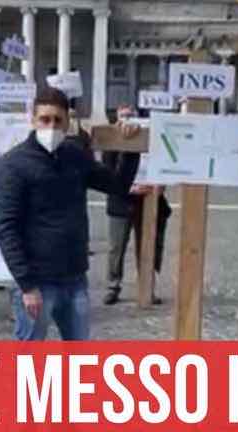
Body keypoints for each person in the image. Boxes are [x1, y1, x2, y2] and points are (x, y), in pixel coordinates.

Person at [0, 88, 140, 341]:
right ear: (33, 119)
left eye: (58, 120)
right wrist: (26, 285)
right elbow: (5, 229)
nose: (51, 126)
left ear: (68, 122)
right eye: (45, 119)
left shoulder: (75, 156)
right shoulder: (13, 164)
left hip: (74, 278)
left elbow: (116, 185)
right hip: (36, 281)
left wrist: (129, 149)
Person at [103, 104, 170, 306]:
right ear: (116, 119)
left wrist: (160, 186)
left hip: (148, 201)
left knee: (148, 246)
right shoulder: (111, 142)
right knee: (116, 248)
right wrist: (128, 188)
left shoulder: (150, 138)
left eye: (130, 116)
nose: (127, 120)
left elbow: (163, 166)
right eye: (123, 116)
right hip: (121, 202)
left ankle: (147, 287)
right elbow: (107, 174)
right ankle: (113, 287)